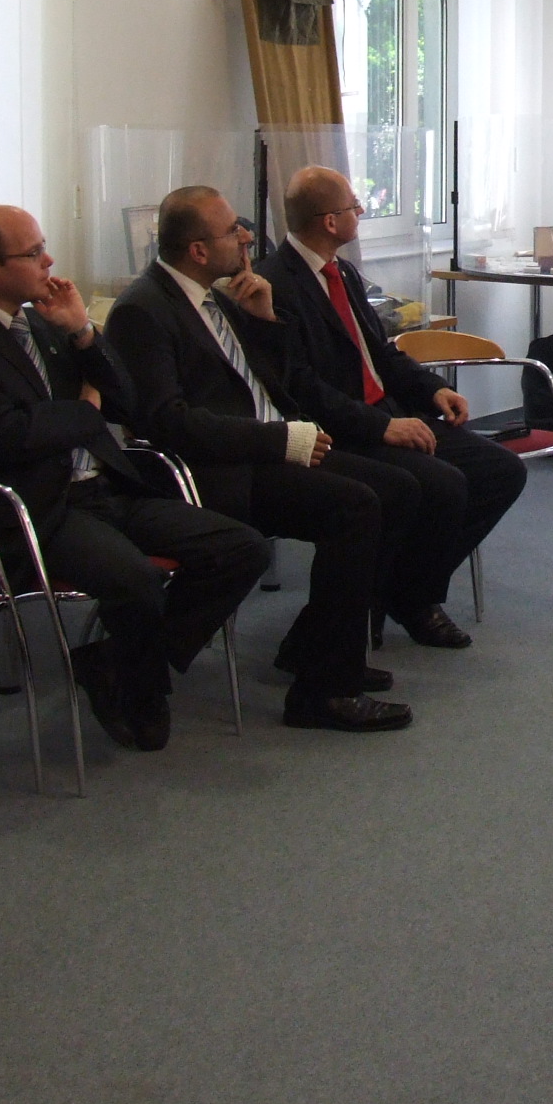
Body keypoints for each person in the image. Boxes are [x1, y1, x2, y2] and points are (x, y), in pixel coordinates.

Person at [0, 205, 272, 753]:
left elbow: (126, 403)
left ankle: (116, 661)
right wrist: (85, 410)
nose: (49, 261)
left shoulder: (47, 323)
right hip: (40, 509)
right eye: (34, 253)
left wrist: (82, 333)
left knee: (241, 548)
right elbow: (8, 436)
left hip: (109, 487)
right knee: (135, 581)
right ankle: (140, 688)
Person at [103, 187, 409, 733]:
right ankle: (322, 691)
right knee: (356, 507)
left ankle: (318, 649)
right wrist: (278, 441)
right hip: (219, 470)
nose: (246, 236)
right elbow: (168, 423)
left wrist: (264, 319)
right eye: (232, 230)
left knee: (396, 488)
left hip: (269, 449)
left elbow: (265, 383)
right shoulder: (141, 311)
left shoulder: (216, 297)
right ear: (198, 250)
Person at [258, 166, 523, 648]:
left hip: (390, 411)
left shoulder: (343, 272)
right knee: (440, 484)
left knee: (501, 471)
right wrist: (382, 427)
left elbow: (381, 352)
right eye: (354, 206)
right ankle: (405, 602)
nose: (361, 211)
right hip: (343, 429)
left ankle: (406, 592)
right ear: (330, 222)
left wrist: (431, 389)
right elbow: (301, 388)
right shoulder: (276, 284)